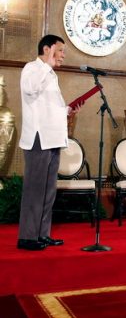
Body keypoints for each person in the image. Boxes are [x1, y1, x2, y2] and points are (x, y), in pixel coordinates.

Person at [17, 34, 79, 251]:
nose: (62, 55)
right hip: (38, 138)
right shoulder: (32, 68)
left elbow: (49, 108)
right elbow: (30, 89)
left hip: (52, 138)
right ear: (47, 49)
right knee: (35, 190)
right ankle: (27, 237)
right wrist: (47, 64)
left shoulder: (51, 75)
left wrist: (68, 111)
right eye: (60, 50)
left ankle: (42, 234)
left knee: (48, 191)